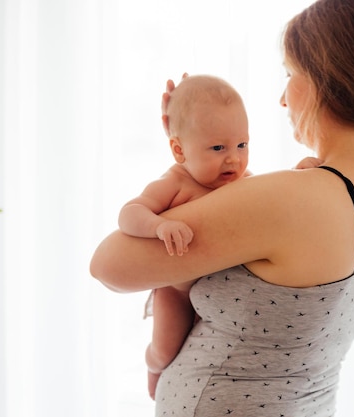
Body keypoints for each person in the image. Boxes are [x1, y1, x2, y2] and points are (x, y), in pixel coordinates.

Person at [90, 0, 354, 415]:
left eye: (290, 74)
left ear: (327, 81)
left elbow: (108, 265)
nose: (283, 99)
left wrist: (186, 158)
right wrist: (193, 138)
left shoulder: (296, 197)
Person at [117, 74, 251, 400]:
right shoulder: (175, 181)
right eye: (218, 148)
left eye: (242, 145)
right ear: (179, 150)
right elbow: (129, 213)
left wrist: (302, 172)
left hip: (222, 291)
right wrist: (158, 226)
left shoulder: (243, 180)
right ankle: (152, 366)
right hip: (177, 292)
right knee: (166, 350)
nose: (233, 158)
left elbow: (280, 195)